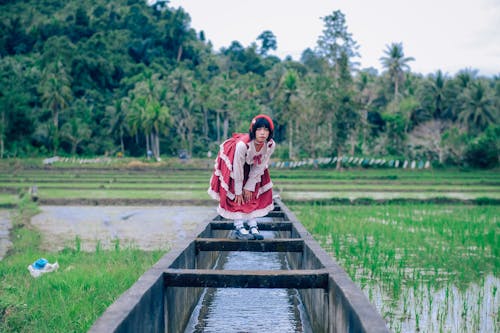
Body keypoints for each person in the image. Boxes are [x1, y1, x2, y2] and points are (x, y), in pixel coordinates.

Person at [208, 114, 276, 240]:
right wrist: (239, 190)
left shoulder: (270, 145)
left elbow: (260, 165)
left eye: (266, 130)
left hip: (252, 165)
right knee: (235, 195)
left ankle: (252, 225)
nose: (262, 133)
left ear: (270, 132)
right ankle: (238, 226)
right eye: (259, 129)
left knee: (252, 192)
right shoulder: (242, 145)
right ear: (253, 130)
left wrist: (249, 185)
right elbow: (238, 168)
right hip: (234, 161)